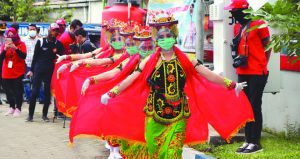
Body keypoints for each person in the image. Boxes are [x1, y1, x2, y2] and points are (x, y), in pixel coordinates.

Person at [224, 0, 271, 154]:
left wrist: (262, 63)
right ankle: (247, 140)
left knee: (254, 105)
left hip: (257, 72)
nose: (232, 14)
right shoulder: (238, 26)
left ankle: (255, 142)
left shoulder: (259, 23)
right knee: (245, 106)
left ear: (243, 11)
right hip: (243, 72)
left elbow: (268, 46)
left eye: (234, 11)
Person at [26, 23, 64, 122]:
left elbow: (62, 58)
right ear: (49, 30)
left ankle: (44, 115)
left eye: (56, 30)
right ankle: (30, 116)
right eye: (52, 30)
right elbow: (35, 57)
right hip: (38, 69)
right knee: (34, 92)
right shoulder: (41, 41)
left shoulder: (58, 44)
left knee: (47, 93)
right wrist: (31, 70)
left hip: (49, 71)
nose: (54, 32)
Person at [0, 28, 26, 117]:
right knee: (8, 91)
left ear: (16, 35)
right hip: (6, 72)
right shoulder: (4, 45)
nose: (10, 37)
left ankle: (18, 108)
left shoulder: (21, 44)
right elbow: (1, 58)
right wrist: (5, 49)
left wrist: (16, 48)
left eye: (12, 35)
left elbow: (23, 56)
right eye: (9, 35)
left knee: (17, 91)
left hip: (17, 72)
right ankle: (11, 107)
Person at [23, 23, 44, 103]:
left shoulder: (41, 40)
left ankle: (42, 99)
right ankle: (29, 99)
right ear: (28, 30)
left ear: (36, 30)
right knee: (26, 82)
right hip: (26, 64)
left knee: (39, 82)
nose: (32, 31)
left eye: (33, 29)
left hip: (37, 64)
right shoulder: (23, 40)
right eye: (30, 29)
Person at [0, 21, 7, 105]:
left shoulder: (4, 37)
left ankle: (8, 97)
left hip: (3, 60)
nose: (2, 32)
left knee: (4, 80)